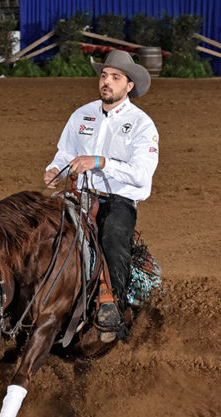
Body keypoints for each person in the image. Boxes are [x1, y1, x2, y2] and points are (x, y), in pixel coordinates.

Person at [43, 49, 159, 342]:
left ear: (129, 86)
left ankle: (114, 309)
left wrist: (100, 162)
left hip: (117, 201)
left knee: (112, 239)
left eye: (115, 77)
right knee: (41, 227)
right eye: (104, 75)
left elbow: (141, 174)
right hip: (78, 193)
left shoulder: (143, 125)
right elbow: (65, 153)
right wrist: (54, 169)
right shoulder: (82, 114)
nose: (106, 82)